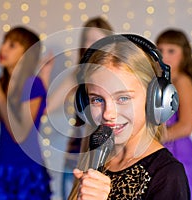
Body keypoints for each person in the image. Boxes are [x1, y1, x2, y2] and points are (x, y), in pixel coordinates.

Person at [68, 34, 190, 199]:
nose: (108, 114)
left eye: (123, 98)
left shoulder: (167, 174)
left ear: (154, 100)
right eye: (97, 99)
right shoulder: (97, 159)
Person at [0, 26, 51, 199]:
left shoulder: (32, 84)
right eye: (4, 42)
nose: (3, 48)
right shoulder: (5, 83)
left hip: (26, 170)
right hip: (3, 165)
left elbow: (20, 135)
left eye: (12, 45)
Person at [52, 16, 114, 199]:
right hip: (77, 154)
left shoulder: (116, 76)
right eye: (87, 39)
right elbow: (50, 105)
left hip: (106, 155)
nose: (91, 44)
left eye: (97, 39)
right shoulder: (77, 74)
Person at [155, 28, 192, 200]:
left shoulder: (182, 81)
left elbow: (186, 126)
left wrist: (154, 139)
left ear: (184, 54)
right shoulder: (158, 81)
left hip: (177, 149)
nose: (164, 55)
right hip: (164, 147)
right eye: (160, 50)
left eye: (171, 50)